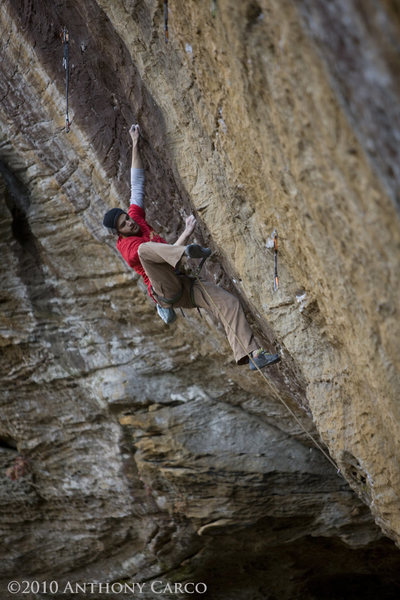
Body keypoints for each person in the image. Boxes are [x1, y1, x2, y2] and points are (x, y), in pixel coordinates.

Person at [103, 124, 280, 371]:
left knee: (227, 302)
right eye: (124, 224)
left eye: (128, 218)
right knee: (146, 250)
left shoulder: (136, 218)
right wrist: (186, 235)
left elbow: (137, 184)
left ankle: (252, 355)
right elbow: (160, 260)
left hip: (184, 283)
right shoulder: (129, 247)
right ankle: (185, 252)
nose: (130, 222)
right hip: (165, 287)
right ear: (118, 232)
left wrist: (134, 143)